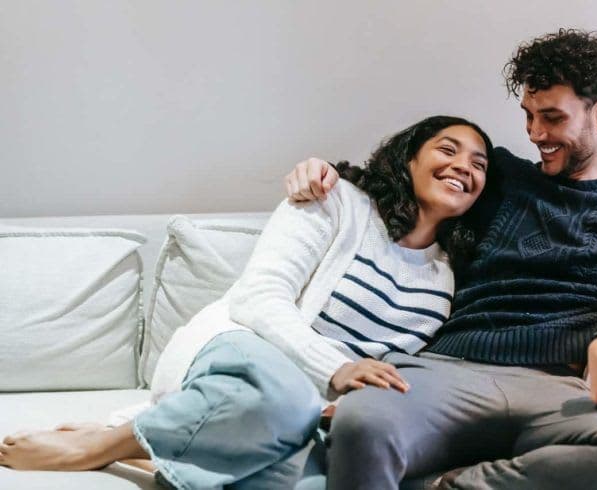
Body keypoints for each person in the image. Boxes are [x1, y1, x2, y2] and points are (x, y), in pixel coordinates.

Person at [283, 29, 597, 490]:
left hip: (560, 391)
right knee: (362, 422)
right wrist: (325, 173)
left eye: (552, 118)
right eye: (529, 116)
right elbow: (400, 183)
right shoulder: (500, 176)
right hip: (449, 371)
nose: (536, 134)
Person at [0, 116, 491, 489]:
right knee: (285, 398)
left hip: (311, 411)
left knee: (320, 482)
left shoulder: (442, 280)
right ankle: (98, 446)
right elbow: (259, 299)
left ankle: (160, 455)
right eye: (447, 149)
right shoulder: (336, 199)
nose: (463, 167)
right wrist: (335, 368)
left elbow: (385, 368)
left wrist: (351, 404)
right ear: (408, 158)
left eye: (478, 164)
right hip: (243, 353)